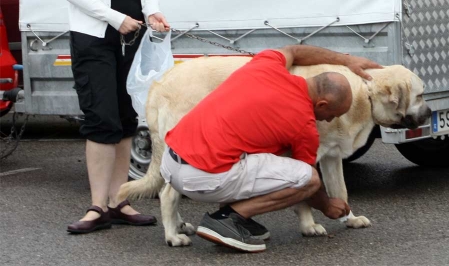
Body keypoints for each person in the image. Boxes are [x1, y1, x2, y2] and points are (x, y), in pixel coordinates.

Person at [161, 45, 383, 253]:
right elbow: (307, 185)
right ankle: (227, 219)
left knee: (250, 152)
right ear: (322, 104)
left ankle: (237, 217)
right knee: (309, 177)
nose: (329, 120)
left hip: (171, 162)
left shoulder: (267, 65)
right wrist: (328, 206)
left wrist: (347, 60)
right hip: (203, 177)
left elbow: (294, 51)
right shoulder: (304, 126)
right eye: (332, 115)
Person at [61, 0, 170, 234]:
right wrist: (115, 18)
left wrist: (151, 11)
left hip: (134, 38)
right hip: (95, 39)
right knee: (101, 119)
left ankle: (119, 201)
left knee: (127, 120)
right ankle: (97, 206)